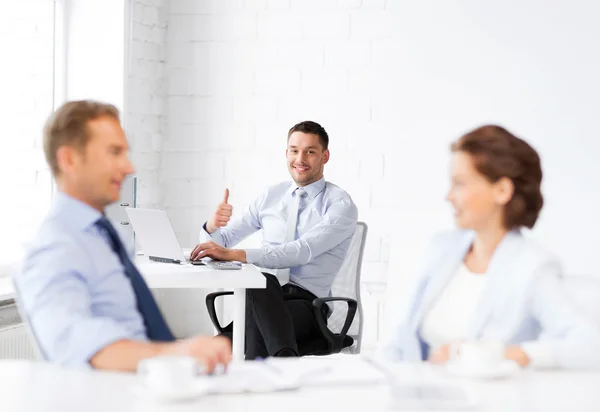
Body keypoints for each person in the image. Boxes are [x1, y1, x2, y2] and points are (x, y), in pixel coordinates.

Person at [15, 100, 231, 371]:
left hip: (150, 384)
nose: (129, 167)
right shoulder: (54, 247)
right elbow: (79, 344)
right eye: (114, 152)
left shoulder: (103, 234)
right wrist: (178, 352)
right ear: (69, 159)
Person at [378, 125, 600, 369]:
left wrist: (501, 354)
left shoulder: (532, 267)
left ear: (502, 190)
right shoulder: (441, 248)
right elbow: (400, 340)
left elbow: (588, 345)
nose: (449, 196)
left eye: (460, 184)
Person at [190, 121, 358, 359]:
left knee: (247, 311)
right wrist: (213, 226)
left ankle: (270, 369)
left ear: (325, 156)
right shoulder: (271, 196)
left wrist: (236, 255)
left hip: (308, 306)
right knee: (260, 286)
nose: (300, 158)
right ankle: (283, 363)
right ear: (286, 153)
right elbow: (223, 241)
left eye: (310, 151)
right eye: (294, 150)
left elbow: (300, 251)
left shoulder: (339, 204)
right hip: (262, 299)